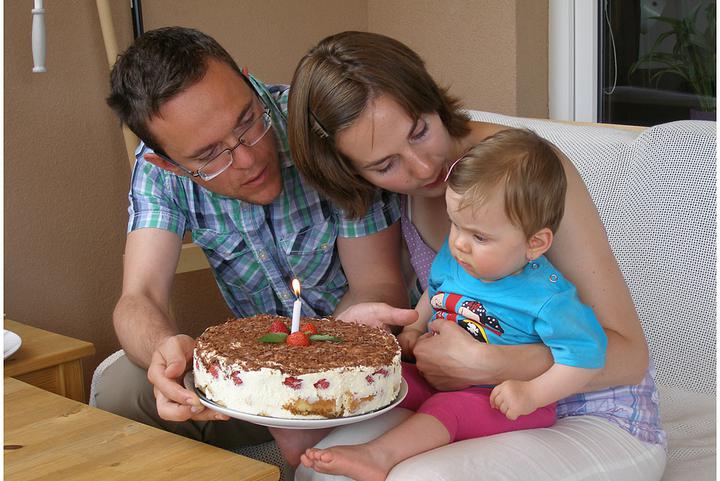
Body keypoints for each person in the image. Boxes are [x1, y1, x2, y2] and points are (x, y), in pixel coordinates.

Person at [288, 31, 666, 480]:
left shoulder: (524, 173)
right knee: (325, 471)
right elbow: (395, 294)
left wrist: (491, 364)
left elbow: (629, 356)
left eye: (420, 131)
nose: (424, 167)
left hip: (593, 411)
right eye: (386, 165)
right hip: (468, 399)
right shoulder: (387, 195)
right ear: (352, 172)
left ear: (431, 99)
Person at [94, 26, 416, 461]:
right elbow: (139, 297)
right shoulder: (157, 173)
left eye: (246, 121)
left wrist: (311, 368)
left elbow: (378, 284)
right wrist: (164, 351)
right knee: (121, 389)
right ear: (168, 164)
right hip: (258, 376)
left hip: (354, 366)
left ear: (247, 81)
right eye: (209, 155)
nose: (247, 159)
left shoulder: (319, 125)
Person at [301, 129, 608, 481]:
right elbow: (435, 293)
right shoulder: (457, 259)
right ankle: (304, 406)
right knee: (389, 377)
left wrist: (532, 393)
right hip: (439, 376)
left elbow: (587, 357)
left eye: (479, 236)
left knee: (449, 407)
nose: (459, 243)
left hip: (503, 399)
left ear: (535, 243)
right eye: (456, 225)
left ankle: (378, 456)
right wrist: (414, 327)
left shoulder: (547, 298)